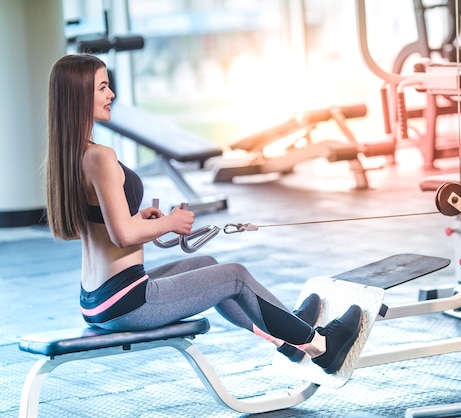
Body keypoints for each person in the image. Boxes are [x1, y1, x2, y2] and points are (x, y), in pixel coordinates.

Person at [45, 53, 362, 375]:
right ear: (79, 93)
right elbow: (122, 235)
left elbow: (98, 225)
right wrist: (170, 223)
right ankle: (320, 346)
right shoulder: (100, 156)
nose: (111, 95)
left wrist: (140, 218)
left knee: (208, 267)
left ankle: (287, 338)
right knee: (234, 275)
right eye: (102, 88)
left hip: (98, 299)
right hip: (127, 303)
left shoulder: (74, 154)